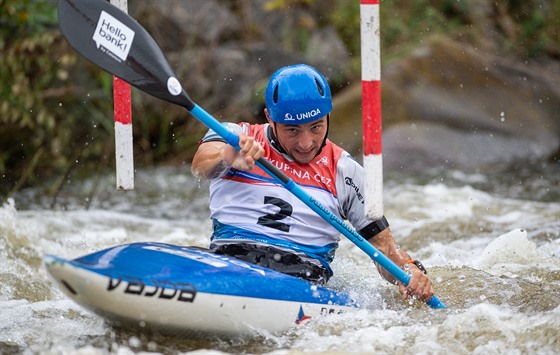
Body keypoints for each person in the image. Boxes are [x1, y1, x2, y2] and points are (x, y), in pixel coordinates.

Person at [191, 64, 435, 303]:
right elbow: (200, 165)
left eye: (316, 127)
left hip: (302, 279)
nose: (306, 143)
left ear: (329, 114)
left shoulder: (346, 171)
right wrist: (227, 158)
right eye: (292, 130)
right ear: (269, 117)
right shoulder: (235, 136)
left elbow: (384, 249)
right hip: (230, 261)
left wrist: (411, 271)